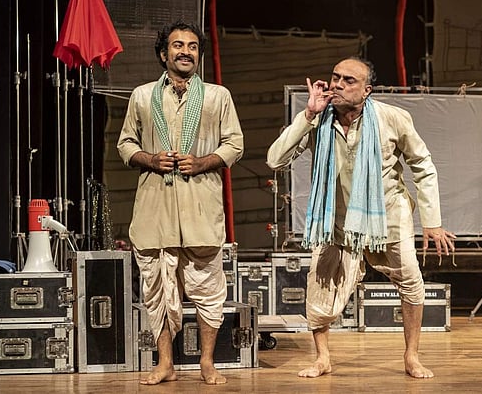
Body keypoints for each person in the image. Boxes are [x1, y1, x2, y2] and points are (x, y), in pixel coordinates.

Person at [266, 56, 455, 379]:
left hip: (388, 217)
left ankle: (411, 356)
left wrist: (432, 222)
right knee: (320, 286)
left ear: (367, 90)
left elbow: (423, 166)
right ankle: (323, 358)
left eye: (349, 80)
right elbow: (275, 160)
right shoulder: (318, 120)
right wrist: (308, 115)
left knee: (411, 282)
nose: (338, 84)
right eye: (335, 77)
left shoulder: (392, 118)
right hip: (336, 222)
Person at [117, 20, 244, 385]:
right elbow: (125, 144)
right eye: (177, 45)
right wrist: (150, 158)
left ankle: (207, 362)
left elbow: (234, 144)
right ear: (164, 54)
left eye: (192, 46)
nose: (185, 51)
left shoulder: (218, 96)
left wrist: (203, 162)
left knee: (208, 289)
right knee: (156, 289)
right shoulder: (142, 96)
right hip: (155, 208)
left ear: (198, 55)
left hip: (200, 206)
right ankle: (165, 363)